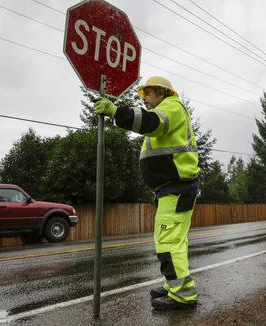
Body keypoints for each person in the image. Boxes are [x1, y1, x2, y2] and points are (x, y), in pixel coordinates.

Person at [94, 76, 200, 310]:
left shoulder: (170, 107)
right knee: (175, 241)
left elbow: (150, 122)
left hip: (177, 187)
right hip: (174, 188)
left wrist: (115, 112)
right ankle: (174, 285)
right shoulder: (169, 109)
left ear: (162, 93)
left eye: (148, 93)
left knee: (168, 241)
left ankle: (182, 295)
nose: (144, 98)